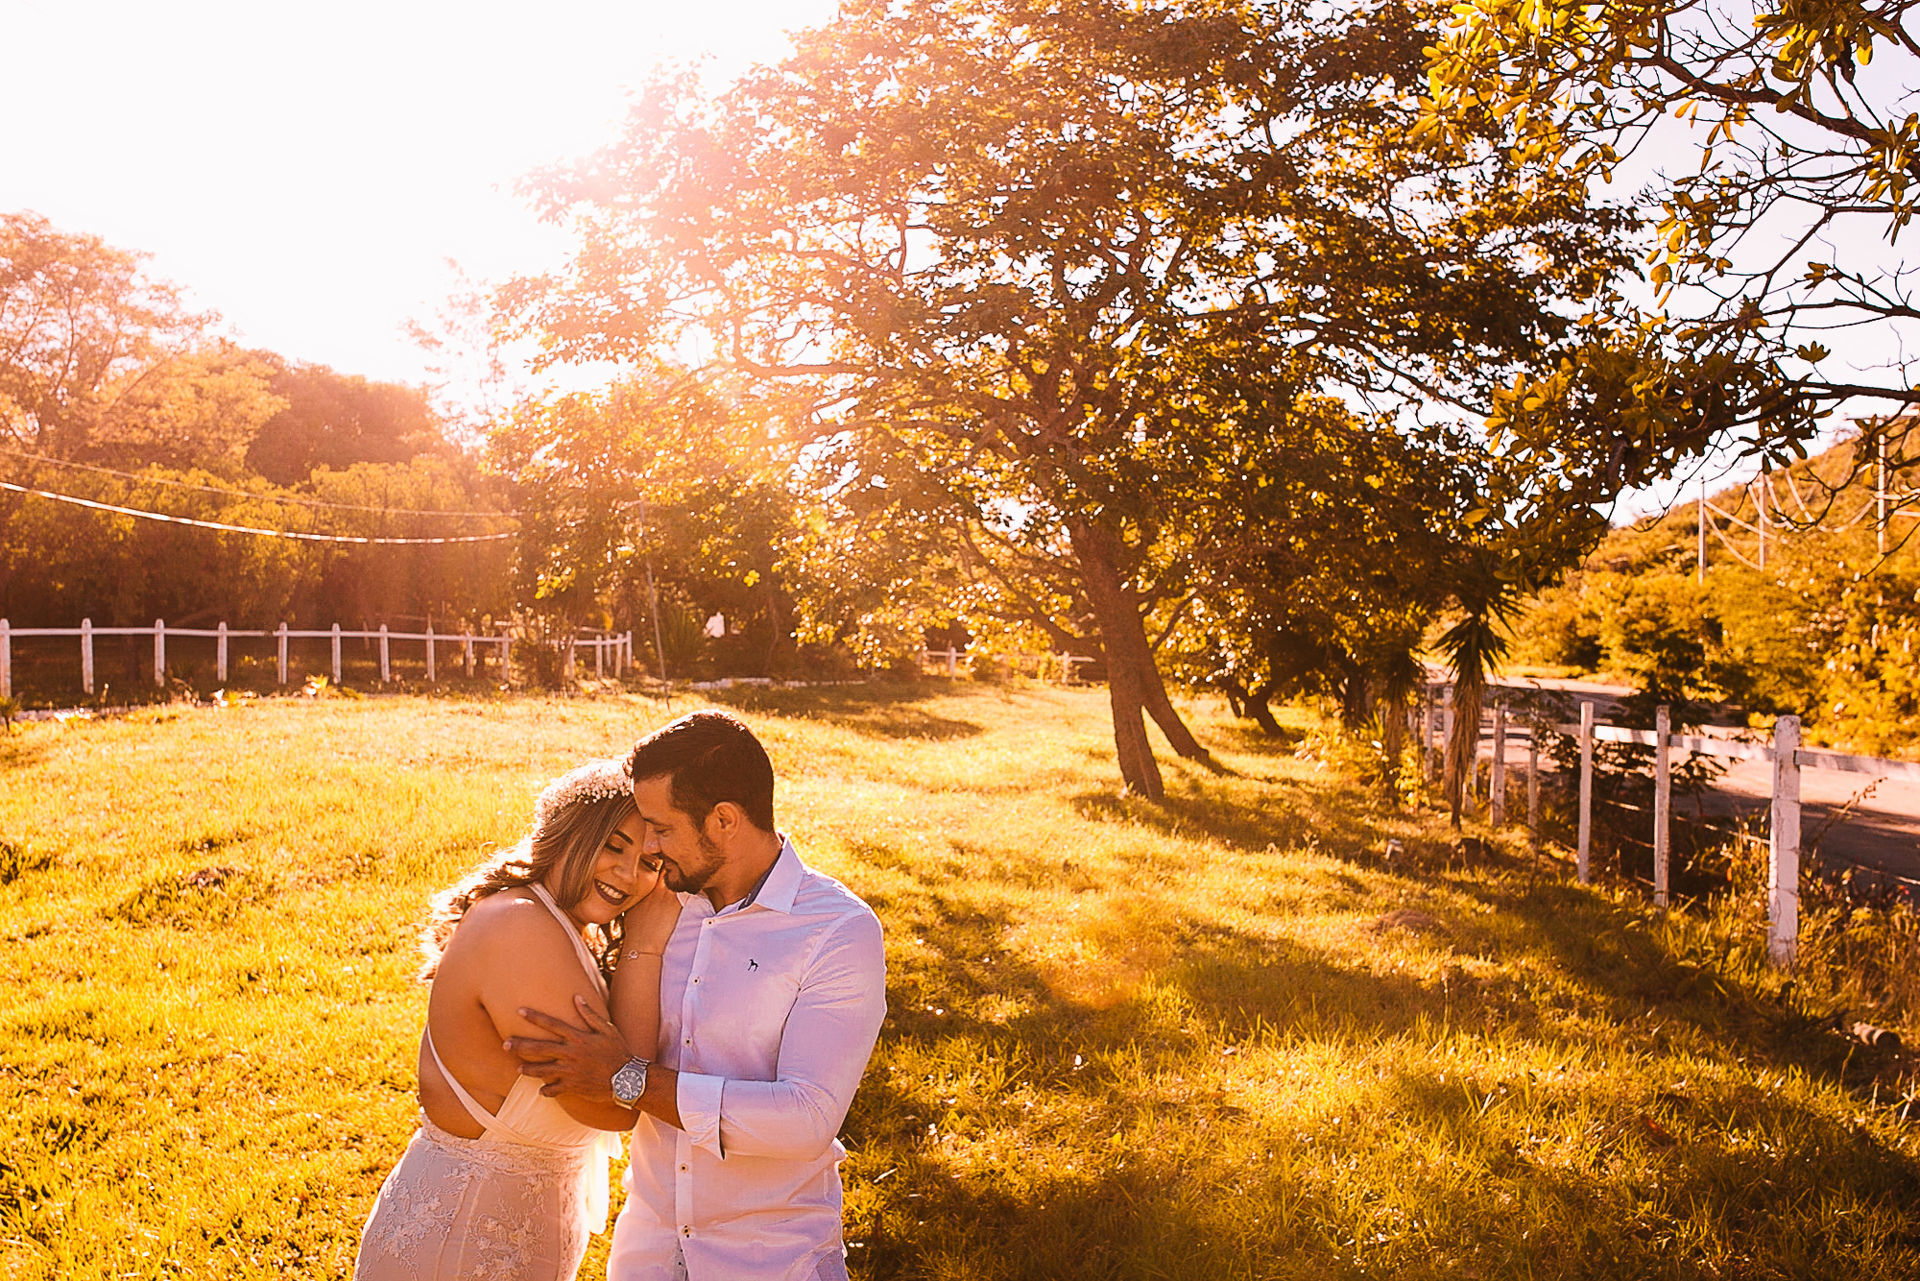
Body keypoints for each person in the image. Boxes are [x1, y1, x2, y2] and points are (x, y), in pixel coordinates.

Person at [507, 710, 888, 1281]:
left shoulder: (836, 931)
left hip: (768, 1258)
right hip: (648, 1249)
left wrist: (626, 1078)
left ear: (724, 820)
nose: (650, 848)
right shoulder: (657, 904)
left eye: (661, 828)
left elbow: (806, 1118)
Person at [354, 757, 682, 1281]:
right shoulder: (520, 929)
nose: (627, 875)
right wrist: (645, 943)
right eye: (612, 847)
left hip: (509, 1241)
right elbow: (616, 1103)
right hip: (459, 1245)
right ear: (567, 834)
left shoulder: (571, 930)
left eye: (648, 864)